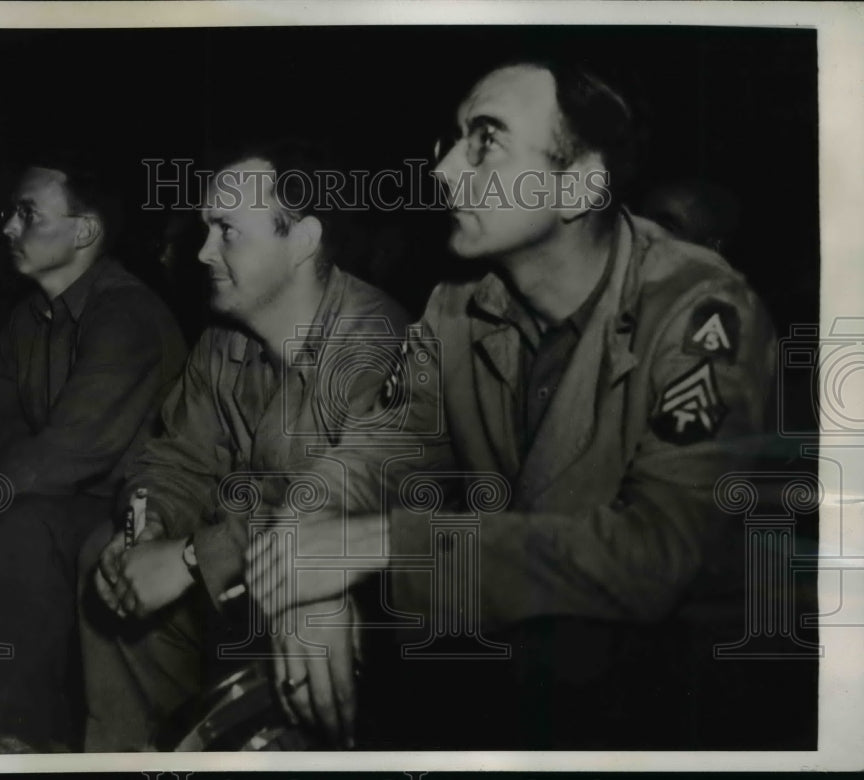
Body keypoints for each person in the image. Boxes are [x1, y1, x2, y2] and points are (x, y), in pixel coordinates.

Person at [248, 60, 778, 748]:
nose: (441, 170)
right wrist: (306, 564)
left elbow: (657, 556)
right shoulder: (456, 306)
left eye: (487, 141)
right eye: (454, 138)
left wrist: (381, 543)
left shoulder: (700, 310)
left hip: (686, 703)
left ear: (581, 184)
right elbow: (382, 448)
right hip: (532, 669)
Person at [79, 142, 410, 751]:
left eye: (226, 230)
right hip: (243, 573)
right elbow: (175, 457)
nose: (203, 251)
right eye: (207, 228)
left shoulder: (379, 342)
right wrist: (145, 534)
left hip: (358, 600)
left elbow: (341, 511)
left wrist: (185, 560)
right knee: (105, 559)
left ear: (303, 240)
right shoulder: (222, 340)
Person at [0, 157, 187, 748]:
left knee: (23, 522)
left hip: (127, 516)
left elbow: (71, 452)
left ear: (84, 232)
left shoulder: (127, 316)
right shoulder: (31, 318)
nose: (9, 227)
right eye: (10, 213)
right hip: (50, 498)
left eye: (28, 213)